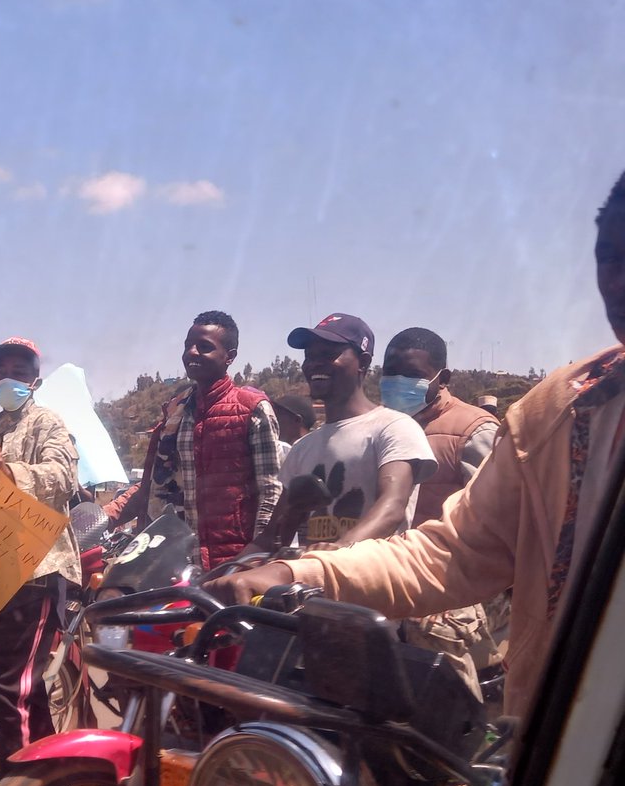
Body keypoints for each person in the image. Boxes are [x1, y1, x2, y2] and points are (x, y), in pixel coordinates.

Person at [211, 169, 625, 719]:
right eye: (610, 255)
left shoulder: (406, 429)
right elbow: (456, 549)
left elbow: (392, 514)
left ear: (359, 361)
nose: (617, 281)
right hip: (561, 732)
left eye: (327, 352)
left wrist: (326, 563)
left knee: (436, 730)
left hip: (425, 614)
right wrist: (281, 568)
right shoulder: (565, 413)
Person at [0, 336, 79, 786]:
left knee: (8, 687)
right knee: (27, 688)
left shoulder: (47, 424)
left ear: (35, 381)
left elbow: (62, 479)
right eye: (2, 372)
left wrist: (10, 470)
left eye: (19, 373)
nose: (8, 379)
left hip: (38, 570)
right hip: (0, 571)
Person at [241, 313, 436, 553]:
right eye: (309, 356)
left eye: (328, 354)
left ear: (363, 362)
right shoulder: (303, 448)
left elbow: (392, 507)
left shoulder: (394, 428)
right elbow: (271, 536)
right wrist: (223, 575)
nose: (314, 363)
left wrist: (340, 551)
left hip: (375, 585)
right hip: (314, 585)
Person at [105, 311, 281, 574]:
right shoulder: (178, 413)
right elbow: (155, 485)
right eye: (188, 345)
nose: (192, 352)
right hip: (177, 562)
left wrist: (254, 560)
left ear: (230, 356)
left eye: (205, 347)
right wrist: (107, 516)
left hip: (234, 563)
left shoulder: (252, 409)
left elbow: (270, 493)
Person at [381, 328, 498, 527]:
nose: (399, 381)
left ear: (443, 379)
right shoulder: (378, 424)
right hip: (379, 555)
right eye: (391, 372)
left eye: (412, 374)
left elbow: (493, 519)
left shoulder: (475, 432)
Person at [271, 393, 316, 461]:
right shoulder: (277, 452)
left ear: (297, 420)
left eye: (278, 415)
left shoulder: (313, 455)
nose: (273, 421)